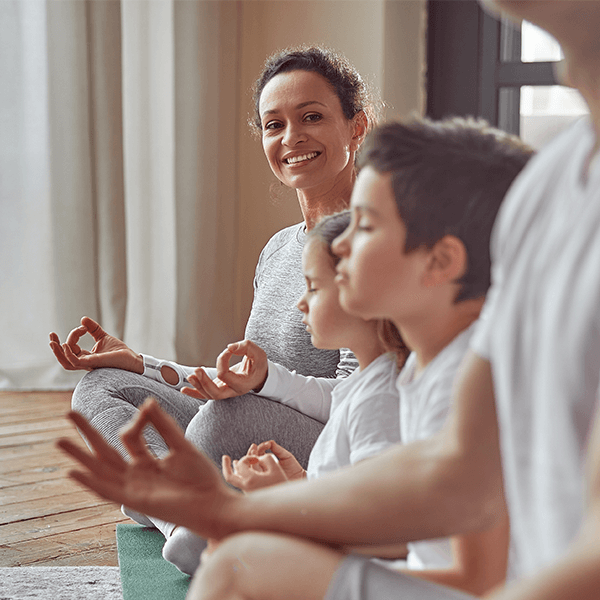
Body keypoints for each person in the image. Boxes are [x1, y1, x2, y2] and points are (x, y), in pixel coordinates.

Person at [57, 112, 533, 599]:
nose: (341, 243)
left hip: (305, 432)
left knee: (239, 556)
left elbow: (446, 545)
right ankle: (178, 512)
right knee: (120, 397)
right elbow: (427, 519)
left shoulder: (456, 379)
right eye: (272, 123)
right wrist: (143, 365)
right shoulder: (428, 369)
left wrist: (256, 510)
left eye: (365, 226)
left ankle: (184, 512)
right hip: (333, 475)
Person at [48, 46, 376, 573]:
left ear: (356, 126)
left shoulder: (374, 241)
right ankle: (186, 523)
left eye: (312, 117)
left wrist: (249, 392)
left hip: (330, 445)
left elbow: (359, 403)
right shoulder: (278, 248)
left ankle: (172, 505)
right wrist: (144, 366)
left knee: (227, 417)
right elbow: (242, 378)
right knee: (101, 386)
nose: (292, 138)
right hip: (248, 425)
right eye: (275, 125)